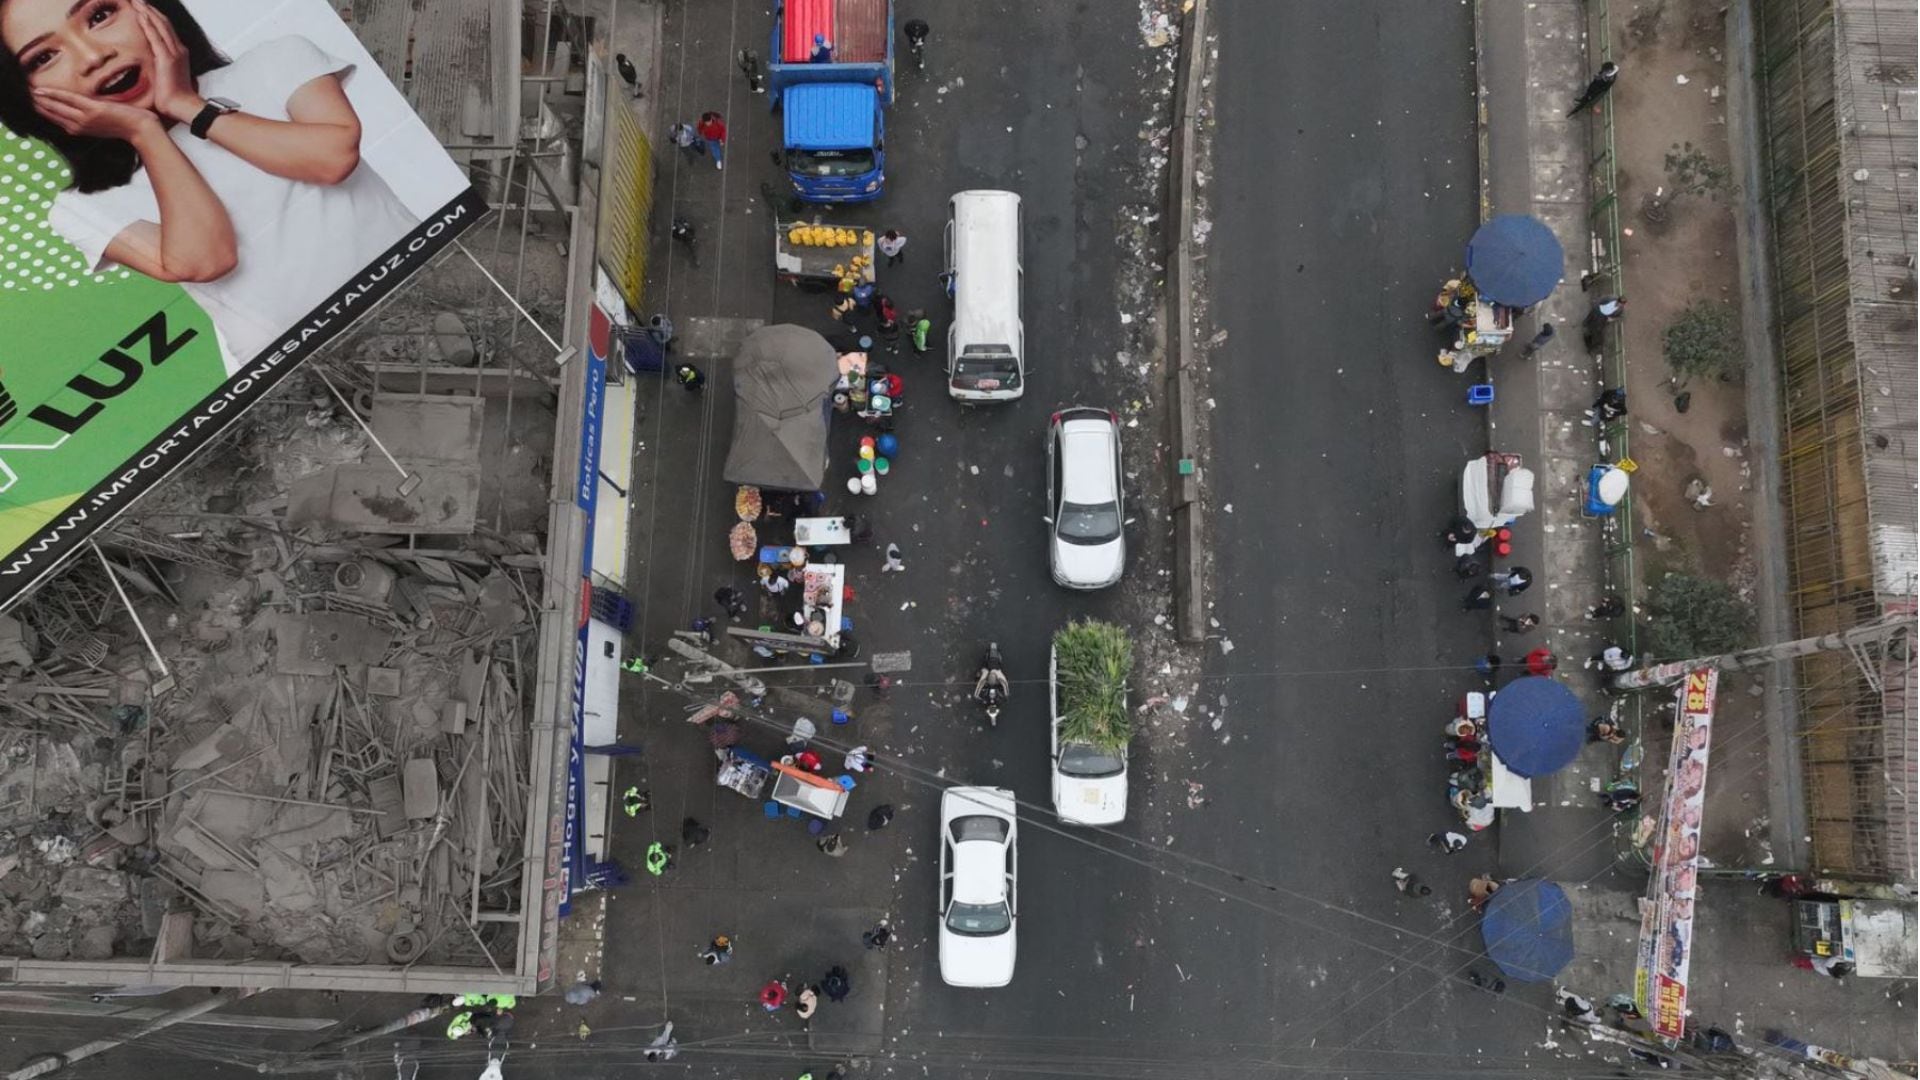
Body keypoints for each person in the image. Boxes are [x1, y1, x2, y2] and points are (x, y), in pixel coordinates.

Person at [5, 0, 425, 373]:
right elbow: (207, 260)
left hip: (424, 294)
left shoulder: (276, 60)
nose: (94, 56)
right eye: (43, 57)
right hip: (311, 371)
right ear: (23, 96)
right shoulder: (81, 207)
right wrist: (146, 132)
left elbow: (332, 159)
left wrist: (186, 105)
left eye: (99, 14)